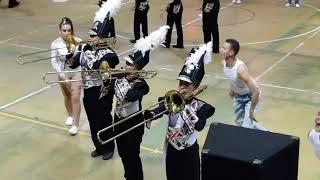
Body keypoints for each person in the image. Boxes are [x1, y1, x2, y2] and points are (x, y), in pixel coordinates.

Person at [144, 42, 215, 180]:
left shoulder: (202, 107)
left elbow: (199, 126)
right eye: (180, 83)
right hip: (172, 149)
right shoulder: (172, 99)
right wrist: (152, 114)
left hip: (188, 152)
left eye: (186, 84)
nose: (182, 88)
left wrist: (185, 108)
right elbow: (161, 108)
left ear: (196, 87)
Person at [107, 25, 168, 180]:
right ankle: (129, 176)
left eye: (129, 64)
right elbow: (108, 91)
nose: (125, 66)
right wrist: (111, 79)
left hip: (132, 123)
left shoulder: (141, 84)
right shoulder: (120, 77)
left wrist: (119, 80)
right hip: (119, 120)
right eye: (126, 63)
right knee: (122, 153)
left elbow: (130, 96)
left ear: (137, 68)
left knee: (132, 155)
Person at [67, 0, 121, 160]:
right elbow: (72, 64)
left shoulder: (110, 54)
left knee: (104, 120)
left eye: (93, 36)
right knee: (92, 120)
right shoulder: (84, 48)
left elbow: (99, 65)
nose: (89, 38)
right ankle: (98, 146)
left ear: (101, 37)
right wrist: (72, 52)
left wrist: (87, 55)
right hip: (89, 91)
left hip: (102, 91)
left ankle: (108, 147)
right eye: (89, 35)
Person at [220, 39, 267, 131]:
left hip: (250, 97)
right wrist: (232, 89)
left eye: (224, 48)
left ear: (231, 52)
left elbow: (256, 92)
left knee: (246, 126)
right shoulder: (224, 63)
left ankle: (266, 137)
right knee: (240, 122)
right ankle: (267, 133)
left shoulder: (240, 70)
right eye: (222, 47)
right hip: (238, 97)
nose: (221, 49)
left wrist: (251, 111)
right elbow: (231, 77)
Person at [50, 17, 82, 135]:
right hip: (63, 73)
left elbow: (81, 59)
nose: (67, 33)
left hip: (76, 72)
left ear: (72, 30)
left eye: (69, 30)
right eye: (64, 30)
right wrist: (61, 74)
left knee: (75, 96)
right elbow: (54, 61)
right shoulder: (55, 43)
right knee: (67, 96)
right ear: (60, 31)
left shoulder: (78, 41)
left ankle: (76, 125)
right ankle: (70, 115)